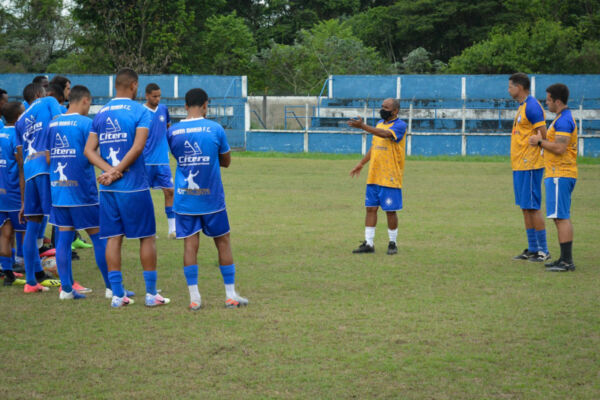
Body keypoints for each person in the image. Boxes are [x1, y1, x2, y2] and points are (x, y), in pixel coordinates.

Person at [84, 68, 169, 308]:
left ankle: (118, 295)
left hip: (108, 190)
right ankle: (151, 294)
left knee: (113, 238)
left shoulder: (100, 113)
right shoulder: (140, 111)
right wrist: (117, 170)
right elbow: (138, 146)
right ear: (133, 85)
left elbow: (89, 151)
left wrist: (108, 171)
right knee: (146, 237)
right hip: (134, 187)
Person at [167, 88, 248, 310]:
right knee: (223, 241)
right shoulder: (215, 128)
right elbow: (226, 161)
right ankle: (230, 295)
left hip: (185, 200)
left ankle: (195, 299)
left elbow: (179, 158)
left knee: (190, 245)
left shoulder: (173, 131)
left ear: (185, 106)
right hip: (212, 199)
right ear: (205, 105)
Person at [48, 85, 117, 299]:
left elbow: (49, 158)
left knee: (63, 238)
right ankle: (111, 287)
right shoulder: (87, 124)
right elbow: (93, 154)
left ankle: (66, 290)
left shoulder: (53, 124)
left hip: (59, 191)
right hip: (82, 192)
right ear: (85, 100)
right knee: (98, 237)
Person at [15, 83, 62, 293]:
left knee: (32, 227)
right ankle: (67, 281)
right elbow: (59, 125)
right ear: (38, 94)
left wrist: (23, 201)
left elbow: (20, 157)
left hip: (30, 172)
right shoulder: (49, 101)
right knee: (60, 219)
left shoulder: (20, 119)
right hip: (46, 168)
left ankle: (31, 282)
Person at [347, 98, 407, 255]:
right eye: (381, 107)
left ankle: (392, 243)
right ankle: (369, 243)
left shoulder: (400, 125)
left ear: (395, 111)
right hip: (374, 175)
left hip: (390, 176)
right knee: (371, 208)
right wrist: (361, 163)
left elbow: (385, 134)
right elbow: (375, 147)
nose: (382, 109)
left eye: (386, 107)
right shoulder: (379, 124)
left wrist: (363, 126)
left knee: (390, 210)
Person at [529, 84, 578, 272]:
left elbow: (559, 148)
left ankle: (567, 261)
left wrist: (539, 141)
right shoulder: (560, 118)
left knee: (561, 217)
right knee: (559, 217)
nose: (546, 103)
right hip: (557, 174)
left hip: (561, 173)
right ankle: (563, 259)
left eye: (548, 100)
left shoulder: (564, 121)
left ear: (557, 101)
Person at [508, 73, 550, 262]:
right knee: (525, 207)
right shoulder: (522, 106)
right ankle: (532, 248)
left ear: (520, 87)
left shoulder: (532, 106)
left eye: (510, 86)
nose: (508, 90)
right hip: (519, 165)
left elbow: (544, 135)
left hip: (530, 164)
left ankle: (543, 250)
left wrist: (539, 142)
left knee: (533, 207)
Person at [142, 83, 176, 238]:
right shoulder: (140, 111)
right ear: (147, 96)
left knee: (169, 191)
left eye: (159, 96)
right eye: (154, 96)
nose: (157, 99)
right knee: (143, 196)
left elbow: (168, 128)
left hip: (162, 160)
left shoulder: (163, 109)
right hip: (145, 161)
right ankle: (148, 230)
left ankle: (172, 229)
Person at [0, 101, 26, 286]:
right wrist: (26, 198)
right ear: (19, 117)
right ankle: (31, 270)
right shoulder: (16, 136)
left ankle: (7, 272)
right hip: (15, 193)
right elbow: (21, 167)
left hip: (1, 193)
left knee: (5, 234)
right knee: (25, 233)